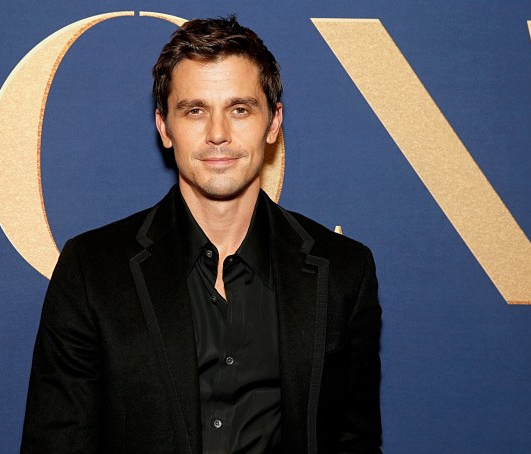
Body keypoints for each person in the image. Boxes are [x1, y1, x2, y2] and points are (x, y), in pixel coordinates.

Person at [21, 15, 381, 454]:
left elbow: (355, 442)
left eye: (239, 109)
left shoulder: (344, 271)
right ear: (164, 127)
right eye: (195, 110)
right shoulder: (92, 271)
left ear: (273, 124)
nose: (217, 134)